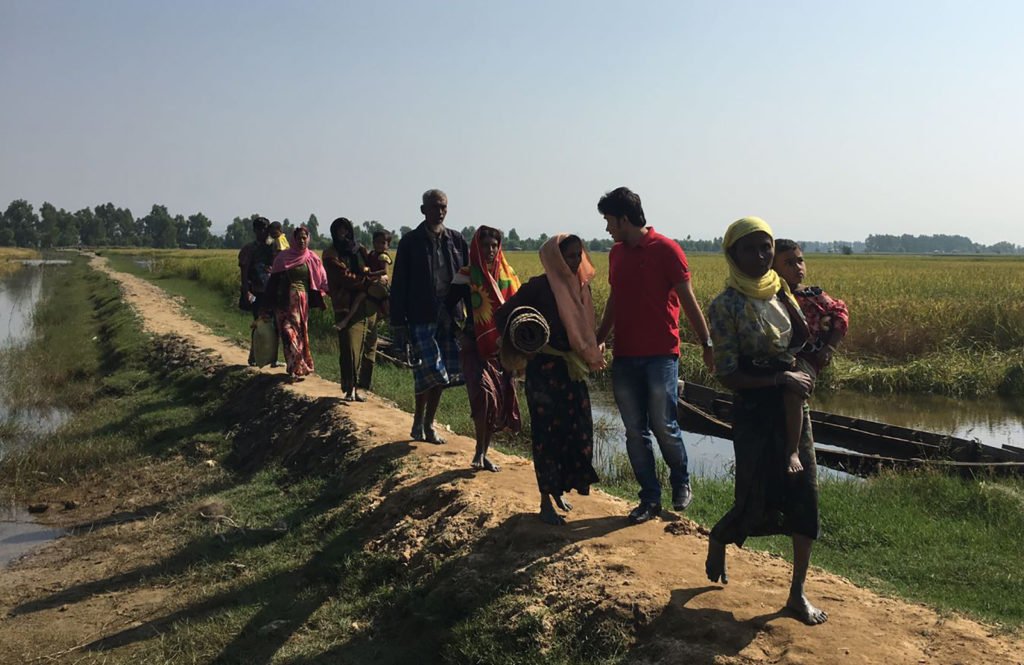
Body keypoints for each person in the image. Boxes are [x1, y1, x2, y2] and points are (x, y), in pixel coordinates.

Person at [705, 217, 827, 626]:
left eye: (766, 248)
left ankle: (797, 594)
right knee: (755, 495)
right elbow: (725, 373)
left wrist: (807, 364)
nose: (761, 256)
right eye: (751, 249)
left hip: (793, 406)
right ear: (732, 254)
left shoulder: (782, 293)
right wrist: (777, 377)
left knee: (805, 495)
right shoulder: (724, 306)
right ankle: (720, 537)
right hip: (755, 410)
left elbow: (798, 341)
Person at [595, 186, 714, 524]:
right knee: (635, 429)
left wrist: (707, 343)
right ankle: (649, 498)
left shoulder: (667, 250)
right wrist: (600, 338)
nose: (607, 228)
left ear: (624, 218)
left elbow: (688, 300)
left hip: (662, 353)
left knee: (664, 423)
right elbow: (615, 300)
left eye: (609, 221)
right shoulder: (616, 253)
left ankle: (681, 480)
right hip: (626, 355)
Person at [495, 235, 605, 525]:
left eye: (577, 255)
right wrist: (527, 342)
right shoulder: (539, 287)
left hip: (572, 372)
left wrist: (591, 349)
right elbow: (504, 315)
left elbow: (584, 330)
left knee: (577, 431)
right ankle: (545, 500)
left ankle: (559, 490)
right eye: (568, 256)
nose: (574, 261)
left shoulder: (581, 288)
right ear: (556, 258)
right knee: (546, 436)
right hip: (544, 373)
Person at [390, 189, 469, 443]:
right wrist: (397, 323)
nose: (440, 211)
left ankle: (427, 423)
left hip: (449, 314)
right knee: (431, 372)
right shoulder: (410, 242)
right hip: (420, 314)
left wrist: (472, 318)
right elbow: (399, 284)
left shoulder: (456, 241)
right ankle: (419, 421)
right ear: (423, 210)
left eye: (443, 206)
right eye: (435, 207)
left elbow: (468, 281)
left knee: (441, 374)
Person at [772, 239, 851, 474]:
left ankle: (793, 450)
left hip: (806, 360)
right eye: (789, 263)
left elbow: (840, 312)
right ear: (772, 269)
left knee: (793, 390)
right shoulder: (771, 297)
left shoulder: (814, 296)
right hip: (780, 357)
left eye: (800, 260)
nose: (798, 267)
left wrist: (830, 348)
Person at [451, 226, 521, 472]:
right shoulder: (467, 275)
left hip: (503, 349)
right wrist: (460, 333)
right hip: (475, 343)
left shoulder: (508, 275)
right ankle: (479, 451)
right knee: (483, 395)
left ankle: (484, 451)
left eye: (494, 245)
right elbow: (447, 306)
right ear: (476, 247)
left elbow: (518, 309)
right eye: (485, 245)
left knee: (498, 401)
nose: (490, 250)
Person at [323, 217, 377, 401]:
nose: (342, 233)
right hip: (345, 304)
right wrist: (367, 282)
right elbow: (344, 277)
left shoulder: (359, 249)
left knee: (369, 348)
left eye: (345, 229)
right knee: (349, 349)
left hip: (367, 304)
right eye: (338, 230)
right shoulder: (330, 254)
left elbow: (372, 266)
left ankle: (363, 387)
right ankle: (350, 387)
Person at [266, 226, 328, 382]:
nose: (302, 240)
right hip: (284, 300)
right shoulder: (282, 258)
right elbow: (273, 282)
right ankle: (295, 364)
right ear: (293, 239)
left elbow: (322, 280)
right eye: (299, 237)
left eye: (304, 237)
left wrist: (325, 294)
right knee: (287, 332)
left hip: (301, 300)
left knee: (299, 332)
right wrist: (266, 304)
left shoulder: (312, 258)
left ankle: (296, 367)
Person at [237, 216, 277, 367]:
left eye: (265, 229)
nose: (263, 232)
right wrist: (246, 291)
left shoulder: (273, 247)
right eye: (259, 229)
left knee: (273, 325)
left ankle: (271, 358)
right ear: (254, 231)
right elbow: (244, 273)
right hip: (256, 291)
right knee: (259, 323)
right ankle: (254, 356)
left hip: (271, 291)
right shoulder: (249, 249)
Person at [335, 229, 392, 330]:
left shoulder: (383, 256)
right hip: (370, 282)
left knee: (385, 310)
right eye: (377, 242)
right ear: (373, 242)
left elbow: (384, 271)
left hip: (378, 283)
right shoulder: (372, 254)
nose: (379, 245)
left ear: (388, 245)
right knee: (360, 300)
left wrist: (371, 274)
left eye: (383, 243)